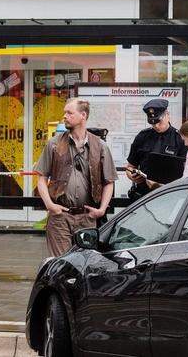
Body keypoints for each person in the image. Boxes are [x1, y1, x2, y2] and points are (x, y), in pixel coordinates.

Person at [35, 98, 117, 257]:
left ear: (83, 115)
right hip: (60, 216)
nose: (64, 116)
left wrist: (101, 210)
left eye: (69, 113)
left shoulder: (100, 146)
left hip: (87, 217)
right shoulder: (54, 144)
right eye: (65, 112)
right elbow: (41, 178)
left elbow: (109, 182)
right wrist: (50, 205)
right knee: (62, 264)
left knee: (84, 264)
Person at [125, 99, 188, 200]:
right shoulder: (142, 136)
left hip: (170, 195)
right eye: (152, 123)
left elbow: (187, 172)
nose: (156, 126)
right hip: (143, 195)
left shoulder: (179, 138)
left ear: (167, 114)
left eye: (159, 121)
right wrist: (132, 176)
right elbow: (130, 166)